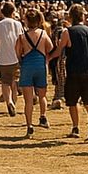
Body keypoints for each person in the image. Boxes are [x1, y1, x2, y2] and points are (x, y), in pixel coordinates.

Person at [51, 3, 88, 143]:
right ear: (83, 16)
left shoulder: (68, 32)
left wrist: (49, 57)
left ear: (71, 17)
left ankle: (76, 128)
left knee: (72, 102)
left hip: (74, 71)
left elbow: (59, 50)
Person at [16, 8, 52, 136]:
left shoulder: (22, 36)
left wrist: (21, 60)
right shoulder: (43, 33)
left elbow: (17, 51)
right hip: (40, 65)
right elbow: (50, 47)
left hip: (27, 65)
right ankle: (43, 116)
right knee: (42, 95)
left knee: (28, 100)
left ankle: (29, 125)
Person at [0, 1, 22, 117]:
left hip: (3, 58)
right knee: (14, 82)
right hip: (16, 57)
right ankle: (13, 102)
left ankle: (9, 101)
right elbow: (20, 41)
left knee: (5, 82)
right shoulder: (18, 24)